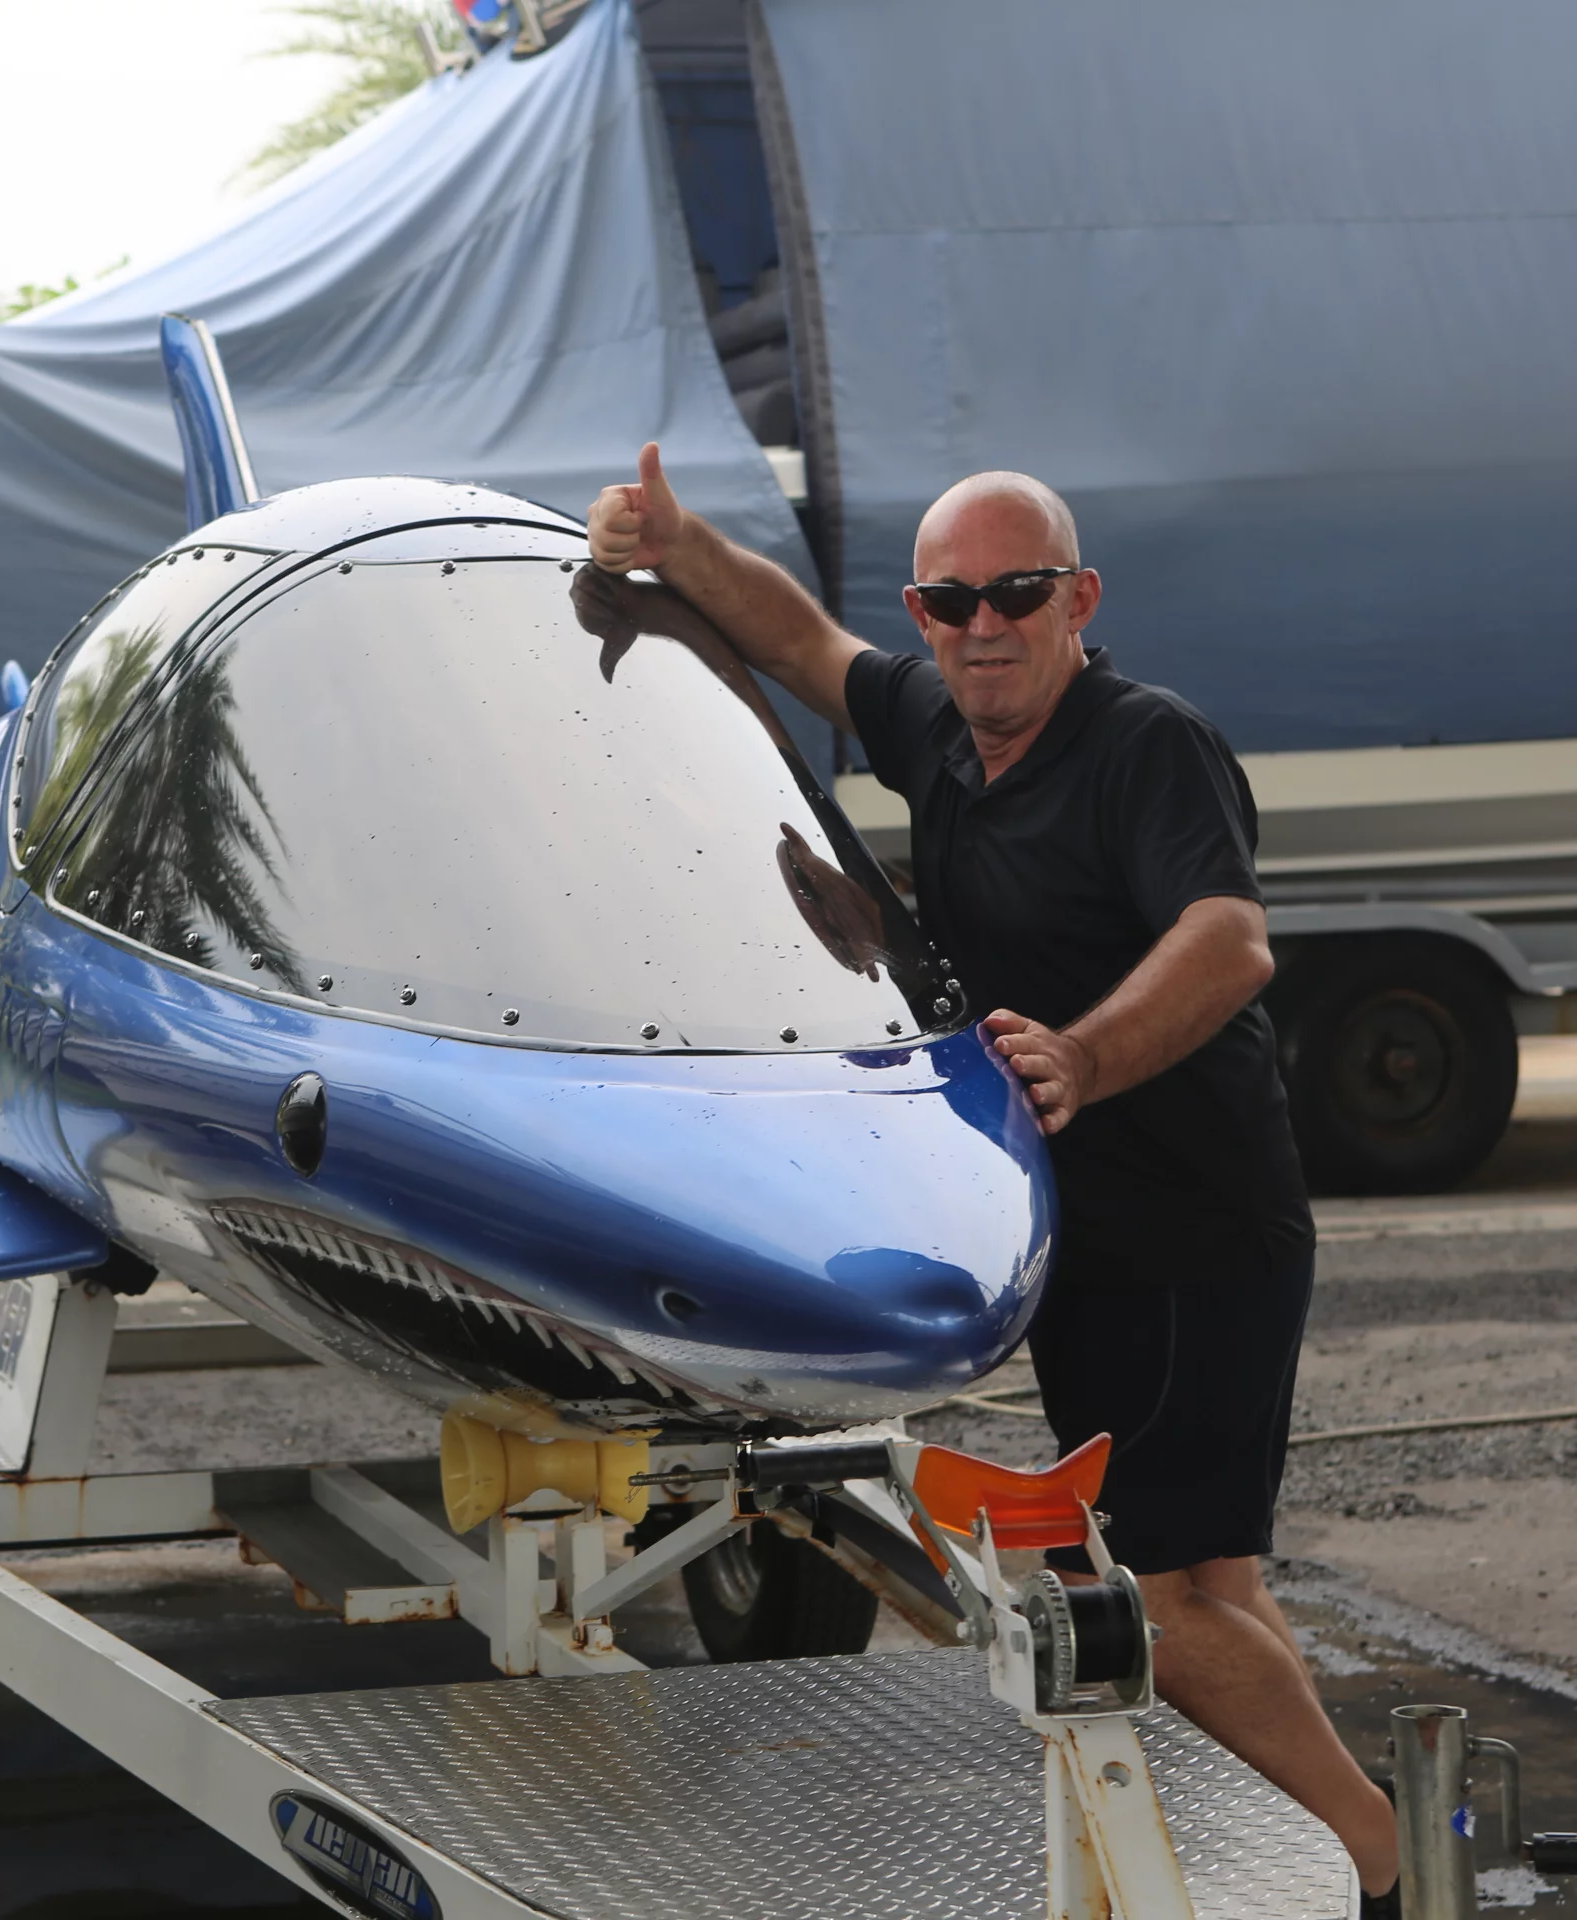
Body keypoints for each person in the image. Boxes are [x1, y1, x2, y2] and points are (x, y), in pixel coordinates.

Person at [588, 444, 1402, 1908]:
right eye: (948, 600)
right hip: (1096, 1237)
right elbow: (799, 639)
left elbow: (1232, 942)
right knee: (1215, 1582)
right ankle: (1324, 1844)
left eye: (1016, 594)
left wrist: (1083, 1059)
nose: (981, 626)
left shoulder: (1144, 743)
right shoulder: (946, 732)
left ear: (1077, 598)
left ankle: (1379, 1866)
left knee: (1158, 1598)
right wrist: (676, 541)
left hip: (1189, 1229)